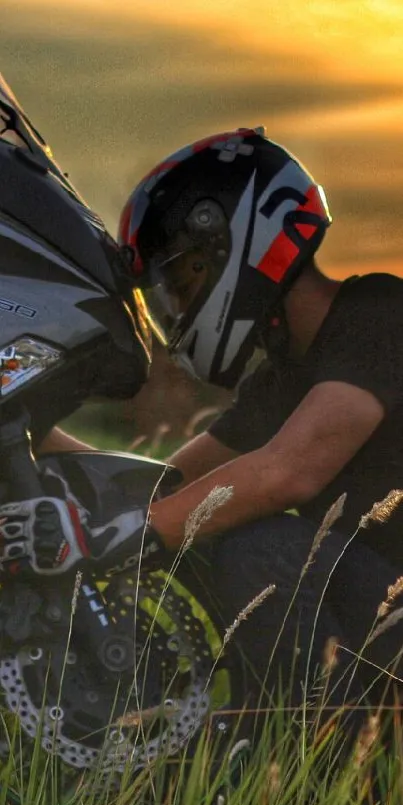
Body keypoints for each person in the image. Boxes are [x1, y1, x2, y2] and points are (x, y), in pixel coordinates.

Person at [1, 127, 403, 725]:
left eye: (184, 278)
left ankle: (324, 755)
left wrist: (99, 539)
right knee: (207, 523)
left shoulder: (379, 314)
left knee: (260, 544)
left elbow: (289, 472)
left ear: (233, 240)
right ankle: (262, 749)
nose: (177, 307)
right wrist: (24, 432)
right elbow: (166, 485)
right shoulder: (284, 378)